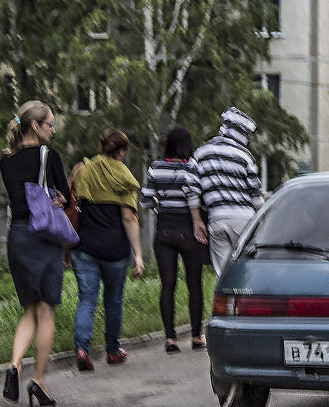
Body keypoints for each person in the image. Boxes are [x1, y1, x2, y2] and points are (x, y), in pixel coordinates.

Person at [0, 101, 68, 407]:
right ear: (36, 126)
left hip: (18, 237)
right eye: (50, 124)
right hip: (43, 236)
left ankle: (14, 365)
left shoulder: (6, 161)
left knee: (28, 311)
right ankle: (38, 381)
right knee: (46, 312)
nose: (53, 129)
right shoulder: (48, 156)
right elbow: (64, 197)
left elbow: (19, 197)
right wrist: (56, 197)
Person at [69, 129, 145, 372]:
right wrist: (139, 256)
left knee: (87, 300)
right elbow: (129, 219)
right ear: (121, 151)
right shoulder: (125, 178)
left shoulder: (84, 169)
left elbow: (74, 202)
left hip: (85, 247)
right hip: (115, 250)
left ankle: (82, 349)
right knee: (113, 300)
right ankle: (112, 351)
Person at [140, 126, 208, 354]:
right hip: (191, 231)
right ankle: (197, 336)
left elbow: (145, 201)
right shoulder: (195, 168)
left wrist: (161, 205)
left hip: (165, 232)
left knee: (167, 285)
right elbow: (202, 199)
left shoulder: (156, 168)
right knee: (194, 284)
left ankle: (170, 338)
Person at [187, 107, 264, 275]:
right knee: (246, 273)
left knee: (223, 277)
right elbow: (256, 197)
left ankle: (227, 302)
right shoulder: (245, 156)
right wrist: (264, 223)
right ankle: (244, 301)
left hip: (217, 220)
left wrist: (197, 220)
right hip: (245, 220)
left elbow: (191, 188)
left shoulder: (201, 153)